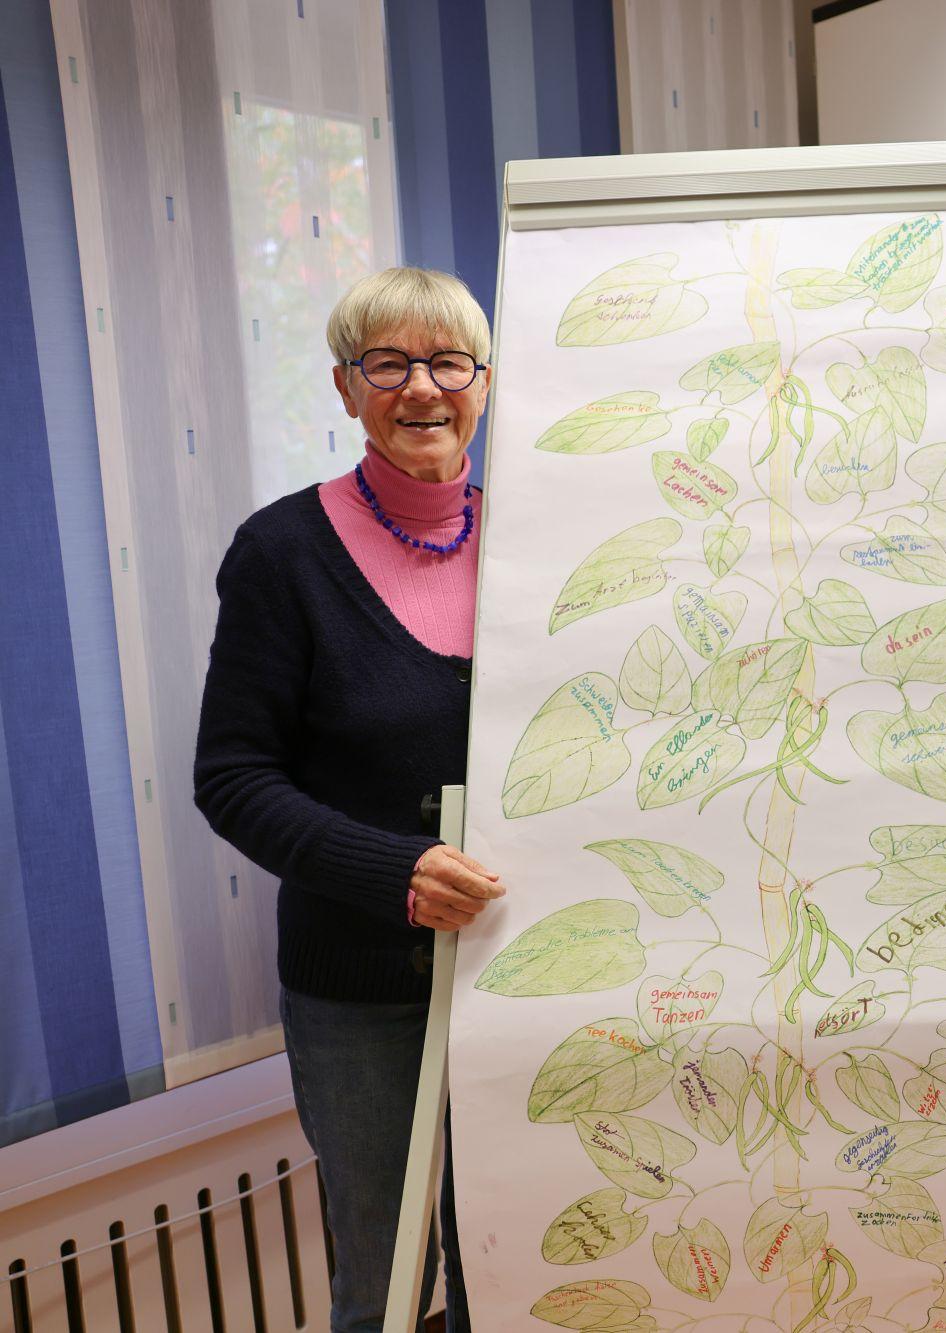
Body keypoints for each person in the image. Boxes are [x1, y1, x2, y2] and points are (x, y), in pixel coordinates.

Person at [194, 267, 507, 1332]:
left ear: (485, 382)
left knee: (517, 1263)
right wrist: (396, 871)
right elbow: (232, 779)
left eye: (448, 361)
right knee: (383, 1279)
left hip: (527, 972)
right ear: (345, 389)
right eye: (388, 363)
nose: (422, 387)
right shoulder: (282, 554)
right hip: (363, 992)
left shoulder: (542, 546)